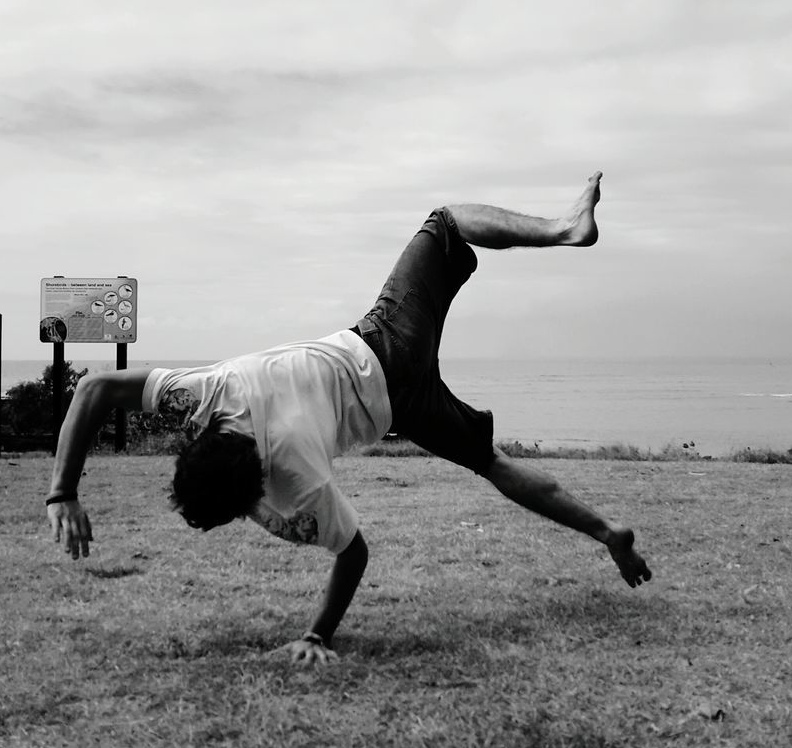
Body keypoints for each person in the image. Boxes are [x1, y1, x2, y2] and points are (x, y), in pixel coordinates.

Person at [45, 173, 651, 665]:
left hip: (395, 389)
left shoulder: (296, 482)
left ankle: (605, 530)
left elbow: (354, 553)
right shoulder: (205, 395)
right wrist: (61, 493)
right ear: (197, 438)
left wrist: (317, 634)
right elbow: (97, 387)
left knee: (489, 463)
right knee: (444, 222)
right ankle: (607, 532)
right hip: (384, 355)